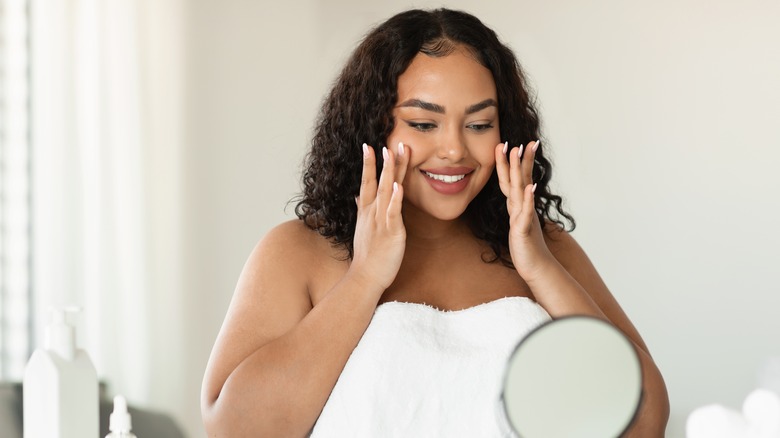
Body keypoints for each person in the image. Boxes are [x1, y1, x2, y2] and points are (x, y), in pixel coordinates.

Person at [201, 8, 670, 437]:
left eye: (480, 125)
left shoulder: (546, 249)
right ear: (372, 127)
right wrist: (364, 277)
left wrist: (541, 268)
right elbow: (234, 430)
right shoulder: (299, 253)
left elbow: (645, 421)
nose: (454, 150)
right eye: (424, 124)